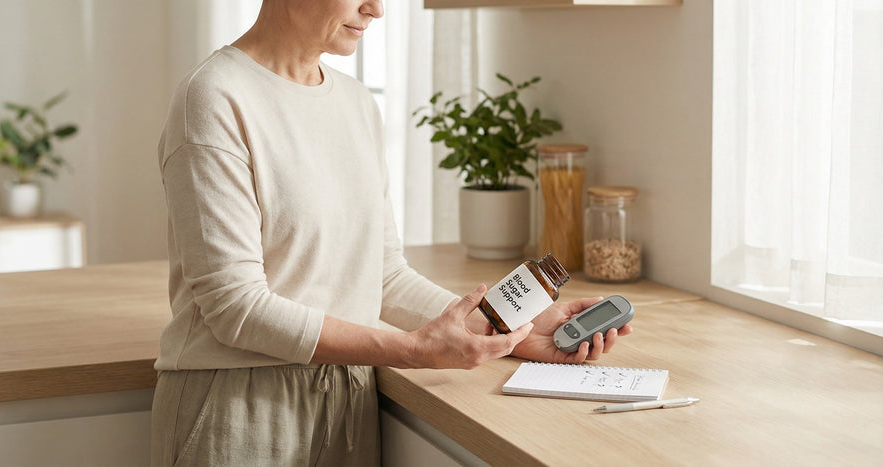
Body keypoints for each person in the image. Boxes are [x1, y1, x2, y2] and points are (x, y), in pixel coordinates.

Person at [151, 1, 632, 465]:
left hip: (348, 399)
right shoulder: (213, 97)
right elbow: (235, 307)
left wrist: (508, 327)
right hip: (242, 408)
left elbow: (382, 275)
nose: (376, 9)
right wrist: (414, 351)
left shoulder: (356, 102)